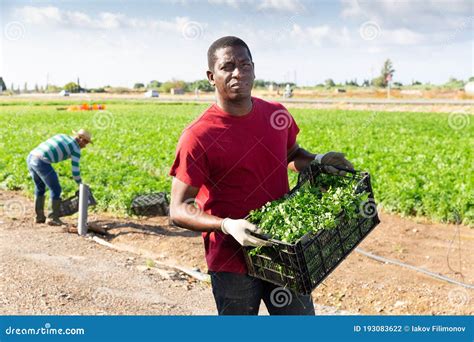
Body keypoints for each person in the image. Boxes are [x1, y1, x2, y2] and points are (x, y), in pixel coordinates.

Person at [169, 36, 353, 315]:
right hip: (231, 260)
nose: (238, 73)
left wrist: (317, 160)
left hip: (285, 250)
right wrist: (228, 226)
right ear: (211, 76)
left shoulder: (276, 115)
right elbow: (179, 209)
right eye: (227, 66)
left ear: (254, 69)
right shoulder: (198, 136)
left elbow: (290, 157)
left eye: (244, 64)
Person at [27, 129, 92, 226]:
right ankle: (52, 218)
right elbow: (75, 171)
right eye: (86, 142)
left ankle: (39, 217)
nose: (85, 146)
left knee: (40, 188)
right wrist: (80, 184)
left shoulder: (62, 136)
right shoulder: (76, 149)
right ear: (80, 139)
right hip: (41, 162)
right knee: (56, 189)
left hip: (31, 157)